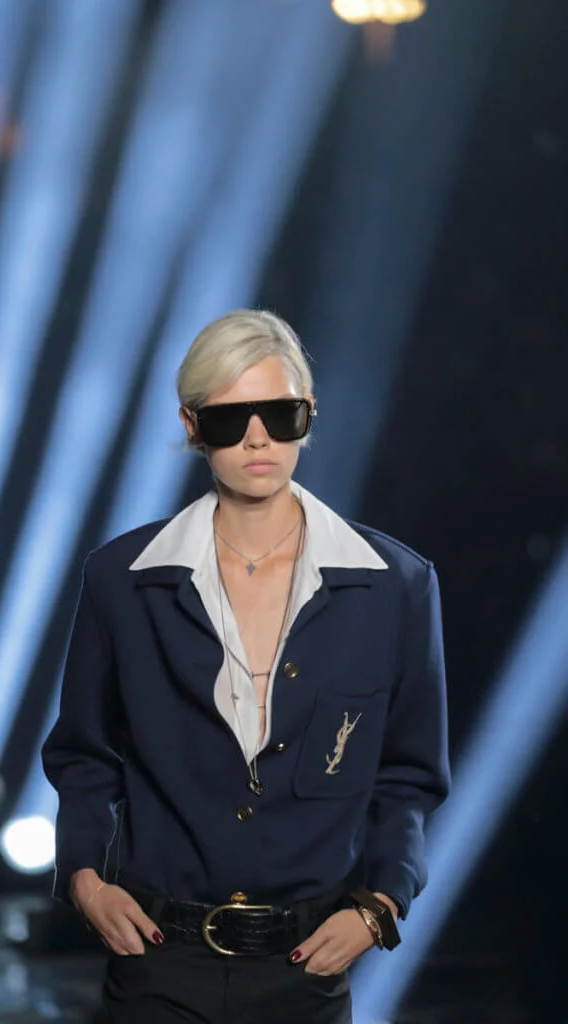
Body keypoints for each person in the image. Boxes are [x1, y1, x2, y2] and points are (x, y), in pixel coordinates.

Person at [41, 308, 450, 1024]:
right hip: (157, 960)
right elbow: (83, 755)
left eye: (279, 414)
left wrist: (382, 902)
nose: (257, 438)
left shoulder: (395, 585)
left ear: (308, 414)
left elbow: (409, 773)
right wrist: (84, 879)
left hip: (308, 966)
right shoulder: (121, 580)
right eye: (230, 419)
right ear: (192, 426)